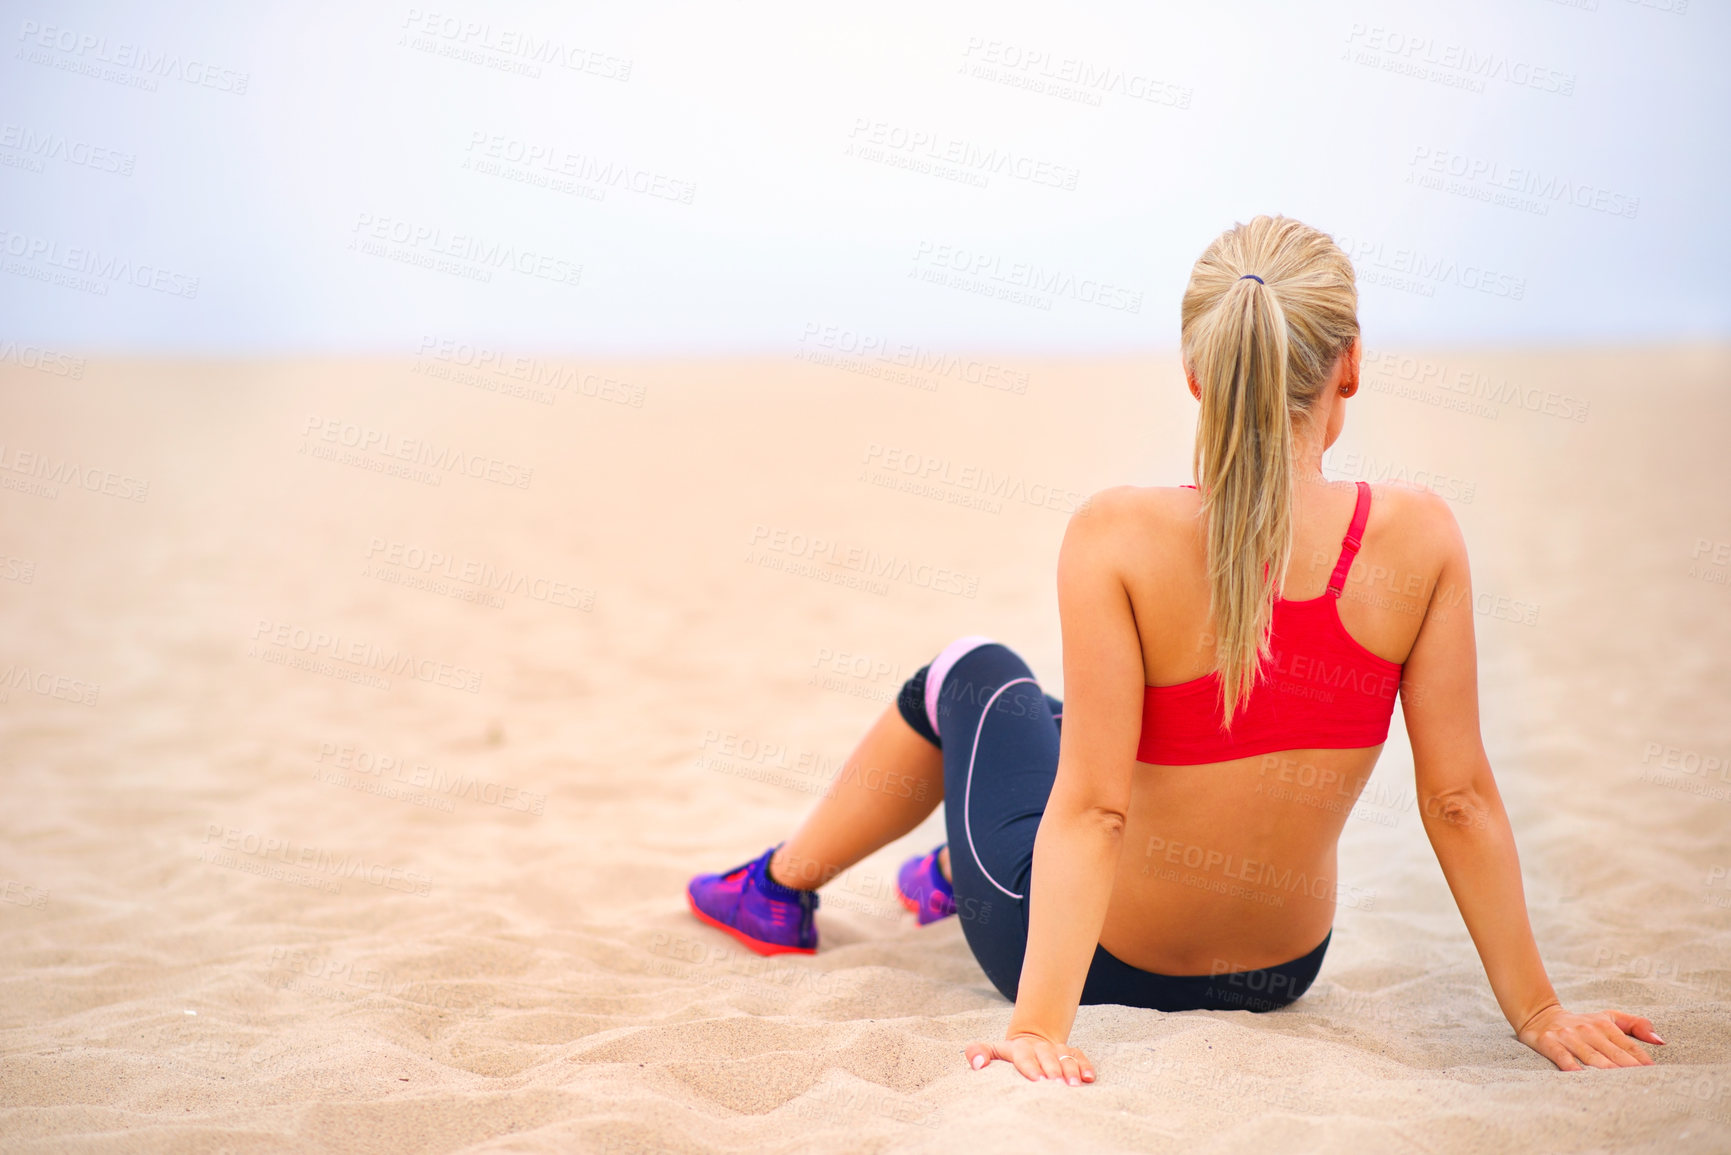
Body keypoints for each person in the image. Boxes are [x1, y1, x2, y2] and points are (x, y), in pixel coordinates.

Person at [686, 215, 1665, 1085]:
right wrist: (1539, 1010)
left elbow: (1098, 809)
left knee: (974, 673)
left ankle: (776, 892)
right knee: (1087, 722)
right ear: (1351, 365)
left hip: (1107, 962)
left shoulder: (1116, 535)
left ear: (1197, 372)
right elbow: (1459, 799)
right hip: (1282, 971)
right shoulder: (1422, 537)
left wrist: (1039, 1026)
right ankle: (938, 869)